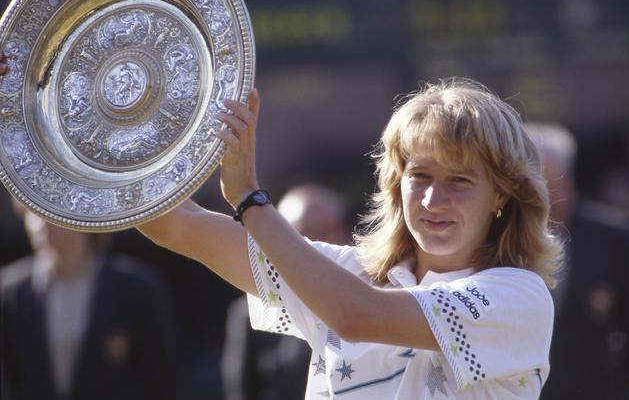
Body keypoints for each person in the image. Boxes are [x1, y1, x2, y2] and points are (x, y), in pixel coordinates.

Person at [2, 52, 562, 398]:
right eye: (420, 175)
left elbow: (356, 315)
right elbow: (177, 226)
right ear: (396, 184)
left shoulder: (520, 297)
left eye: (461, 180)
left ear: (502, 196)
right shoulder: (343, 273)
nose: (434, 198)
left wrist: (248, 198)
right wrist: (33, 113)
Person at [524, 123, 629, 400]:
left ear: (566, 179)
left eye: (546, 181)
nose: (538, 194)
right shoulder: (502, 239)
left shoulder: (613, 236)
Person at [0, 204, 181, 400]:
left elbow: (162, 380)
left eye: (53, 212)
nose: (41, 224)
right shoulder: (10, 292)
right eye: (33, 213)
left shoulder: (138, 290)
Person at [223, 183, 350, 400]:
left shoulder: (367, 303)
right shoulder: (253, 312)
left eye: (325, 232)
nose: (317, 245)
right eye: (303, 235)